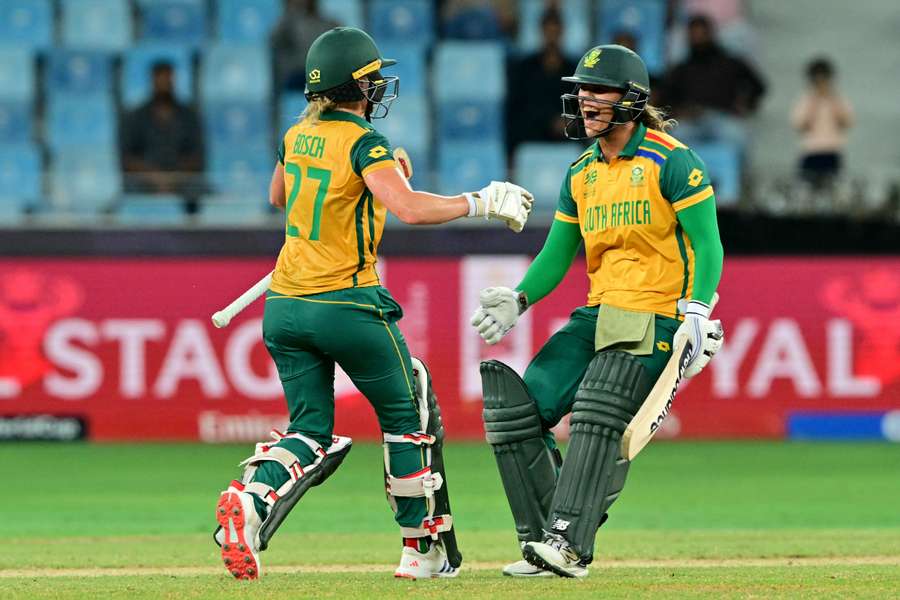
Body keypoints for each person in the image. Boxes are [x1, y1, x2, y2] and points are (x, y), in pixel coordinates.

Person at [213, 27, 533, 581]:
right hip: (348, 303)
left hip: (285, 307)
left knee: (310, 429)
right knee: (408, 417)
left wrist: (374, 182)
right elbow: (408, 210)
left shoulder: (298, 134)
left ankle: (251, 500)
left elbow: (279, 196)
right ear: (357, 84)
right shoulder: (364, 140)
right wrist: (479, 200)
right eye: (372, 76)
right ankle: (422, 549)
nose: (379, 84)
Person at [471, 45, 725, 578]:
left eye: (599, 90)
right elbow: (558, 254)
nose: (585, 99)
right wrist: (519, 299)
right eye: (582, 89)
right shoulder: (582, 172)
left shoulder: (673, 160)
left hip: (656, 316)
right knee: (516, 413)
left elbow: (709, 245)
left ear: (631, 100)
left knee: (594, 412)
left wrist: (698, 311)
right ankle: (545, 540)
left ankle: (569, 543)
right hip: (598, 314)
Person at [662, 14, 765, 152]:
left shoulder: (730, 63)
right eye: (694, 35)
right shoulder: (681, 69)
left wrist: (746, 105)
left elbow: (758, 86)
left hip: (722, 118)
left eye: (702, 34)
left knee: (738, 138)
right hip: (691, 122)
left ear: (711, 34)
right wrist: (679, 112)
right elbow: (666, 98)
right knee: (673, 140)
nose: (698, 39)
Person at [119, 61, 205, 212]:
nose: (164, 83)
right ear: (152, 81)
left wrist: (173, 178)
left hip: (181, 181)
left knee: (200, 190)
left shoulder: (190, 116)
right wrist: (154, 177)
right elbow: (127, 158)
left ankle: (194, 234)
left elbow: (198, 158)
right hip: (144, 181)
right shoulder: (136, 116)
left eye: (168, 78)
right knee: (129, 189)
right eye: (160, 79)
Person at [505, 7, 577, 154]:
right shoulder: (524, 69)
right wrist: (549, 122)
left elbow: (580, 108)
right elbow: (517, 109)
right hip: (530, 140)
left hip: (565, 143)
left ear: (562, 32)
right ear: (541, 32)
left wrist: (567, 122)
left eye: (555, 32)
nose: (552, 38)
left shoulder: (574, 71)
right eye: (548, 32)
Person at [791, 57, 853, 188]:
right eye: (817, 80)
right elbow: (801, 126)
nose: (821, 83)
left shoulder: (838, 99)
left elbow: (846, 123)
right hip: (811, 152)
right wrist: (815, 101)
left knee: (832, 188)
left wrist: (832, 100)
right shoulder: (805, 100)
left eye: (824, 79)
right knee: (806, 189)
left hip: (832, 152)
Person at [270, 0, 339, 91]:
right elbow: (275, 44)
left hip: (325, 80)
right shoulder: (285, 28)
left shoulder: (330, 25)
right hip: (295, 80)